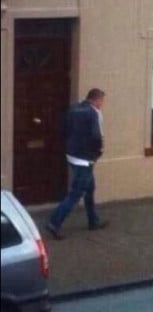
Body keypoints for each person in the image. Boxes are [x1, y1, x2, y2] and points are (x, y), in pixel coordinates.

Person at [45, 88, 108, 239]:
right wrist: (98, 152)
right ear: (95, 100)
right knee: (76, 193)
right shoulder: (93, 113)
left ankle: (93, 221)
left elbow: (63, 129)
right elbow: (96, 136)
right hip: (85, 159)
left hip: (72, 155)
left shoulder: (73, 109)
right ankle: (54, 222)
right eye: (101, 101)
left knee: (90, 188)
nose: (102, 104)